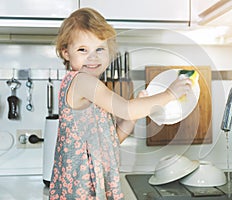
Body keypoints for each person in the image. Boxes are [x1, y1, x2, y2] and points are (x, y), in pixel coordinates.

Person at [49, 7, 192, 200]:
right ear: (66, 53)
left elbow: (112, 141)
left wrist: (134, 114)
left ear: (110, 51)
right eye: (82, 50)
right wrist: (170, 94)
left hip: (92, 187)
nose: (92, 57)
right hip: (82, 190)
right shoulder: (83, 81)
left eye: (100, 49)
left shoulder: (88, 87)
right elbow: (125, 109)